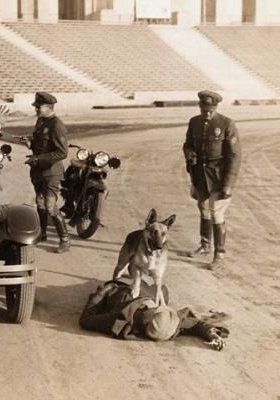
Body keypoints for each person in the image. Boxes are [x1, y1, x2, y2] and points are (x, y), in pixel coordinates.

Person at [79, 280, 230, 351]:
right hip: (143, 289)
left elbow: (86, 319)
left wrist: (104, 291)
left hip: (123, 286)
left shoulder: (119, 318)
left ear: (150, 312)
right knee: (163, 289)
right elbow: (195, 324)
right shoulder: (167, 325)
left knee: (160, 289)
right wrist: (212, 334)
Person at [183, 90, 242, 271]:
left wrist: (228, 183)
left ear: (216, 108)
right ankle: (205, 245)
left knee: (216, 212)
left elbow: (234, 156)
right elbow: (187, 143)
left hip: (218, 176)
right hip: (200, 174)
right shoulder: (194, 122)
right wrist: (189, 152)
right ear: (200, 106)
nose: (208, 114)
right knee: (203, 208)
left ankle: (220, 254)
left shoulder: (226, 124)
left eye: (211, 111)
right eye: (204, 110)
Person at [24, 91, 70, 253]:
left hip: (51, 173)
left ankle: (64, 239)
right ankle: (42, 234)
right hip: (38, 172)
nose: (36, 109)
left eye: (39, 107)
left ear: (49, 107)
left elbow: (62, 152)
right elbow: (41, 145)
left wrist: (38, 159)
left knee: (50, 206)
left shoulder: (57, 125)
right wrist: (30, 143)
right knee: (40, 203)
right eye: (36, 106)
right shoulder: (41, 121)